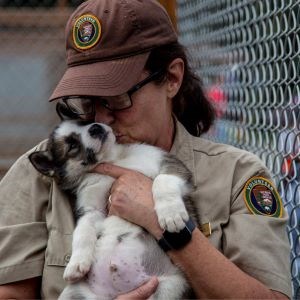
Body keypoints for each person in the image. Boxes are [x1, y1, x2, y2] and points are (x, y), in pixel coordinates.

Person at [0, 0, 291, 299]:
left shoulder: (235, 175)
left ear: (172, 78)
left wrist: (168, 228)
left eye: (118, 98)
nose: (101, 119)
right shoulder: (45, 171)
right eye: (88, 100)